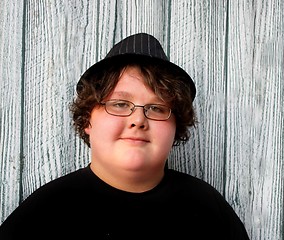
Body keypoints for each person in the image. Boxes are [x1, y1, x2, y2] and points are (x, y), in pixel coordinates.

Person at [0, 33, 250, 239]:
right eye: (119, 104)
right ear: (88, 119)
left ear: (176, 126)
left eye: (157, 108)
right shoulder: (43, 214)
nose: (138, 120)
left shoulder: (208, 208)